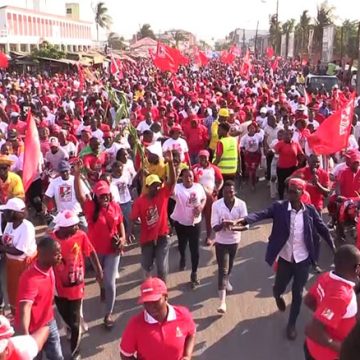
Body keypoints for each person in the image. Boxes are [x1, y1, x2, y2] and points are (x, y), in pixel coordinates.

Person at [237, 178, 335, 340]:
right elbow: (262, 214)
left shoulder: (310, 211)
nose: (290, 193)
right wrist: (246, 220)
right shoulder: (280, 208)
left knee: (297, 294)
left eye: (294, 191)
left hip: (302, 261)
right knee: (279, 288)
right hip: (285, 259)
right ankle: (277, 295)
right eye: (289, 190)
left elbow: (323, 230)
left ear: (302, 193)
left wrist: (334, 248)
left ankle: (291, 325)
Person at [74, 163, 126, 329]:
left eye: (106, 195)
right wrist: (76, 176)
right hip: (95, 252)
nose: (104, 198)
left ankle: (108, 314)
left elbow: (121, 224)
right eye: (101, 196)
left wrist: (123, 238)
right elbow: (79, 196)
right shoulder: (90, 208)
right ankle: (101, 286)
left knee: (110, 282)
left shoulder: (115, 207)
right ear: (96, 196)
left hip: (113, 250)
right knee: (101, 277)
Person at [52, 210, 103, 360]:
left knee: (74, 323)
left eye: (76, 224)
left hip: (76, 286)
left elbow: (91, 252)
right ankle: (75, 327)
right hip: (58, 288)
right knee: (65, 316)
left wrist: (99, 271)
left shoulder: (81, 235)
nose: (77, 226)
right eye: (73, 225)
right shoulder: (51, 240)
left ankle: (75, 352)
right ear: (62, 228)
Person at [304, 245, 360, 360]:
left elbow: (308, 300)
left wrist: (327, 315)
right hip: (326, 356)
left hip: (312, 349)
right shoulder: (341, 297)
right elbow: (313, 330)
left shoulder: (326, 277)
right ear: (356, 269)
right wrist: (341, 349)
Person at [119, 277, 196, 360]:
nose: (151, 307)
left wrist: (187, 356)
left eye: (155, 301)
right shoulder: (135, 325)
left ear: (166, 297)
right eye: (147, 302)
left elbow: (191, 334)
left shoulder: (183, 314)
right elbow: (125, 355)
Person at [129, 152, 176, 282]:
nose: (157, 187)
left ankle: (162, 292)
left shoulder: (163, 194)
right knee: (146, 267)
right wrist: (129, 232)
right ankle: (148, 289)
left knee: (161, 267)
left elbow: (171, 181)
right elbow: (132, 218)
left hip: (162, 237)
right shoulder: (140, 201)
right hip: (147, 239)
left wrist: (171, 163)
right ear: (147, 186)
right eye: (154, 185)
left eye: (158, 185)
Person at [15, 236, 64, 360]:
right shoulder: (30, 279)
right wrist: (25, 337)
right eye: (56, 253)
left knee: (57, 357)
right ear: (43, 255)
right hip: (32, 329)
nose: (60, 256)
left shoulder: (48, 266)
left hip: (49, 322)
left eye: (59, 252)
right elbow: (24, 307)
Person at [211, 180, 248, 314]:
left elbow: (246, 225)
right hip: (221, 243)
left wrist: (234, 227)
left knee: (230, 267)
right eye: (226, 192)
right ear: (223, 193)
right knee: (223, 269)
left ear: (235, 192)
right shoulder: (216, 205)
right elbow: (214, 227)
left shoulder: (241, 204)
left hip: (234, 241)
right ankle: (222, 302)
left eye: (231, 192)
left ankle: (226, 281)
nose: (229, 194)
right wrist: (223, 225)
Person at [0, 198, 37, 315]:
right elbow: (5, 240)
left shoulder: (27, 227)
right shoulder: (10, 225)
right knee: (13, 292)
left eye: (6, 211)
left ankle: (26, 317)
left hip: (24, 265)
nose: (3, 214)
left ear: (13, 213)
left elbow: (19, 251)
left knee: (24, 293)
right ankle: (17, 316)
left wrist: (2, 249)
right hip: (12, 264)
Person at [171, 168, 206, 287]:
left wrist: (201, 207)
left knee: (194, 249)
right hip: (181, 223)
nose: (188, 179)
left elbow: (204, 198)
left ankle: (194, 273)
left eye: (190, 176)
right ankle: (182, 257)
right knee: (182, 245)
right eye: (186, 176)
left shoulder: (198, 187)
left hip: (195, 224)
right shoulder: (177, 188)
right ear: (182, 177)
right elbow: (171, 191)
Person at [44, 160, 90, 230]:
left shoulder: (76, 179)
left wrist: (88, 210)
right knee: (49, 233)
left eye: (66, 171)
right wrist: (47, 209)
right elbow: (47, 197)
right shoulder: (54, 182)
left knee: (87, 230)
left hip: (77, 213)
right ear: (59, 172)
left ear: (69, 170)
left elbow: (87, 195)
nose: (65, 173)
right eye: (62, 172)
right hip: (62, 215)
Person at [192, 150, 223, 246]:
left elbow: (221, 180)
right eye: (200, 157)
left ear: (208, 157)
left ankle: (209, 236)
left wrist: (217, 189)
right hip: (197, 196)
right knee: (194, 215)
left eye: (204, 157)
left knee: (209, 217)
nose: (202, 159)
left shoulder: (214, 168)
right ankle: (192, 236)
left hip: (210, 196)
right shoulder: (194, 168)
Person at [274, 129, 304, 199]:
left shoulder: (295, 144)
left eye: (288, 135)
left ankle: (291, 199)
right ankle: (281, 199)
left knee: (292, 184)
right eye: (285, 135)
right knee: (281, 184)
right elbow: (275, 151)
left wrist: (300, 164)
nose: (286, 136)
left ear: (291, 136)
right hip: (282, 168)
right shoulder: (280, 144)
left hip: (293, 168)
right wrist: (272, 151)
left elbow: (301, 154)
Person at [240, 123, 263, 190]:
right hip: (248, 155)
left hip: (256, 155)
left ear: (255, 129)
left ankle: (253, 179)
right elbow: (241, 146)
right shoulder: (244, 137)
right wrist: (244, 152)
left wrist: (260, 149)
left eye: (253, 128)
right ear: (248, 129)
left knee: (255, 170)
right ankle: (252, 184)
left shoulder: (258, 136)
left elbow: (261, 142)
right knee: (251, 170)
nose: (251, 129)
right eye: (250, 128)